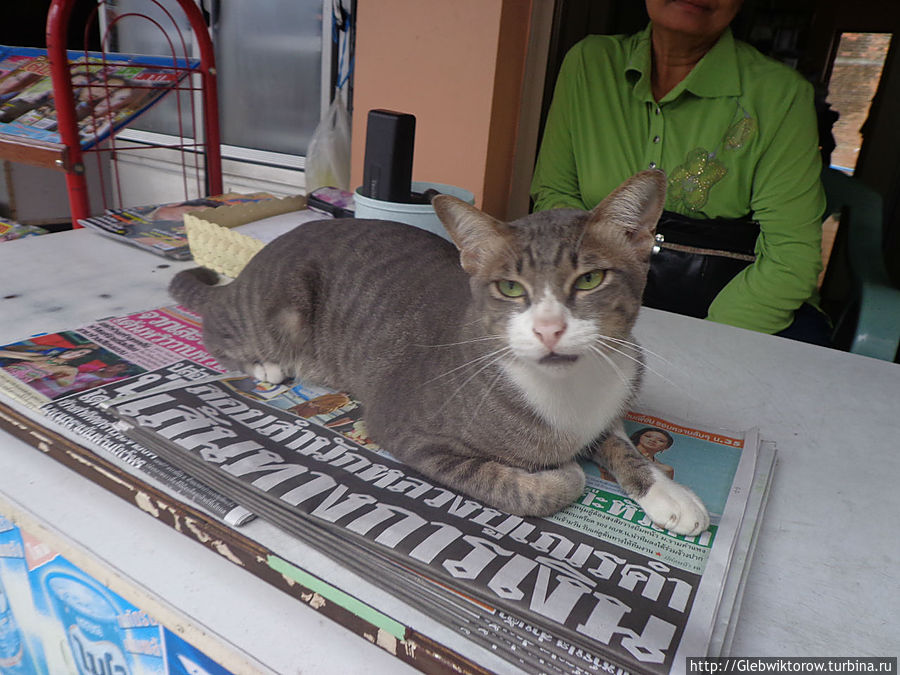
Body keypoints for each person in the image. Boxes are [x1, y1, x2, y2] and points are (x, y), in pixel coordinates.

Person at [531, 0, 829, 343]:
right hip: (595, 294)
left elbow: (791, 258)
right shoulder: (589, 62)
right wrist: (599, 309)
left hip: (736, 309)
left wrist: (701, 342)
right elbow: (553, 194)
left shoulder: (782, 94)